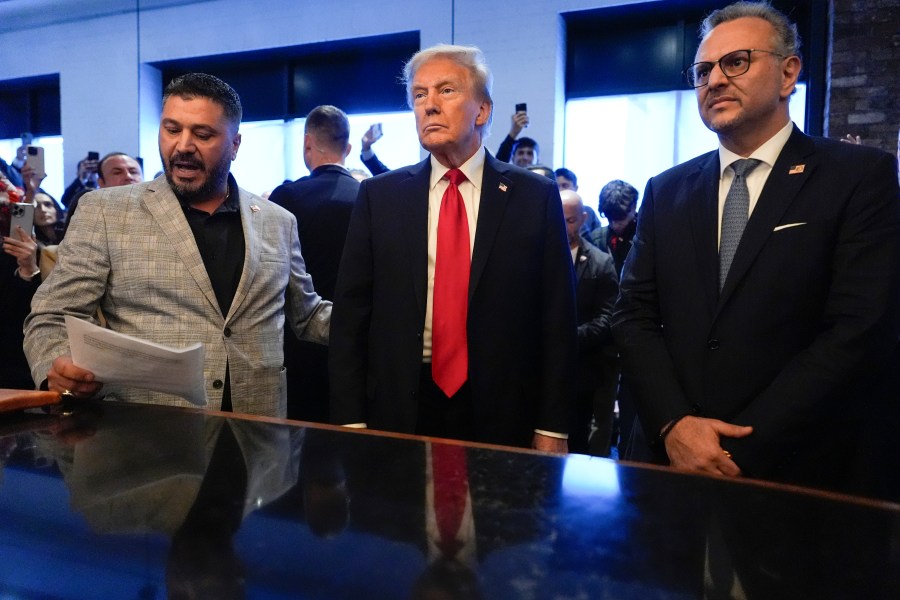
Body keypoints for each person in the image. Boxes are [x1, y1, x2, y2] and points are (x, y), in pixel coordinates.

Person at [612, 1, 900, 494]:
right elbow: (633, 314)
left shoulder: (857, 177)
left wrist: (739, 446)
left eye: (736, 62)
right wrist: (674, 424)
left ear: (789, 73)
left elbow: (859, 328)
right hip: (671, 460)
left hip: (800, 466)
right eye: (703, 70)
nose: (715, 80)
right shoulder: (666, 189)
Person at [24, 73, 331, 417]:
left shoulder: (278, 221)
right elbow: (52, 315)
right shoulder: (106, 212)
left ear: (235, 145)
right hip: (145, 430)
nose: (183, 146)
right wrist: (57, 363)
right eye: (172, 130)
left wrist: (376, 321)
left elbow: (308, 315)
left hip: (258, 427)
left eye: (203, 134)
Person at [329, 44, 577, 452]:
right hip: (399, 408)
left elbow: (557, 317)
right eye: (419, 94)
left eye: (446, 90)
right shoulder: (380, 196)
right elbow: (350, 317)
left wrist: (553, 427)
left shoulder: (534, 196)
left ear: (482, 110)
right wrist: (349, 420)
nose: (429, 105)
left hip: (503, 410)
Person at [269, 105, 359, 421]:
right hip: (355, 340)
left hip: (297, 346)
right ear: (348, 148)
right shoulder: (370, 198)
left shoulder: (285, 199)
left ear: (308, 143)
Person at [560, 190, 618, 455]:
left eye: (570, 220)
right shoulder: (537, 255)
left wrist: (567, 338)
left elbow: (607, 318)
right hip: (541, 368)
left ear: (583, 219)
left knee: (577, 439)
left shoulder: (600, 262)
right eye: (558, 219)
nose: (563, 226)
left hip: (583, 368)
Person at [65, 152, 144, 228]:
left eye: (133, 172)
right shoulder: (89, 207)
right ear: (101, 183)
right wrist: (82, 178)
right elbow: (66, 200)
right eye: (117, 172)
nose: (128, 176)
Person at [589, 179, 639, 277]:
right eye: (609, 218)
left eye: (620, 218)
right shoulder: (597, 239)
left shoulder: (647, 236)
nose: (615, 225)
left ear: (634, 207)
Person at [555, 167, 600, 235]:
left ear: (575, 188)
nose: (560, 190)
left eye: (565, 185)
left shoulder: (589, 212)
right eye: (556, 186)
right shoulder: (547, 212)